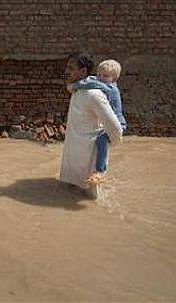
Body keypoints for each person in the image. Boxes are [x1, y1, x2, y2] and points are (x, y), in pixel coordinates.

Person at [60, 53, 123, 198]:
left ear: (83, 72)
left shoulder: (94, 94)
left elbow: (115, 128)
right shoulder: (78, 90)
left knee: (92, 201)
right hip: (74, 158)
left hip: (90, 160)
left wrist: (110, 142)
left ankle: (99, 173)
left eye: (71, 68)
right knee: (70, 194)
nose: (66, 72)